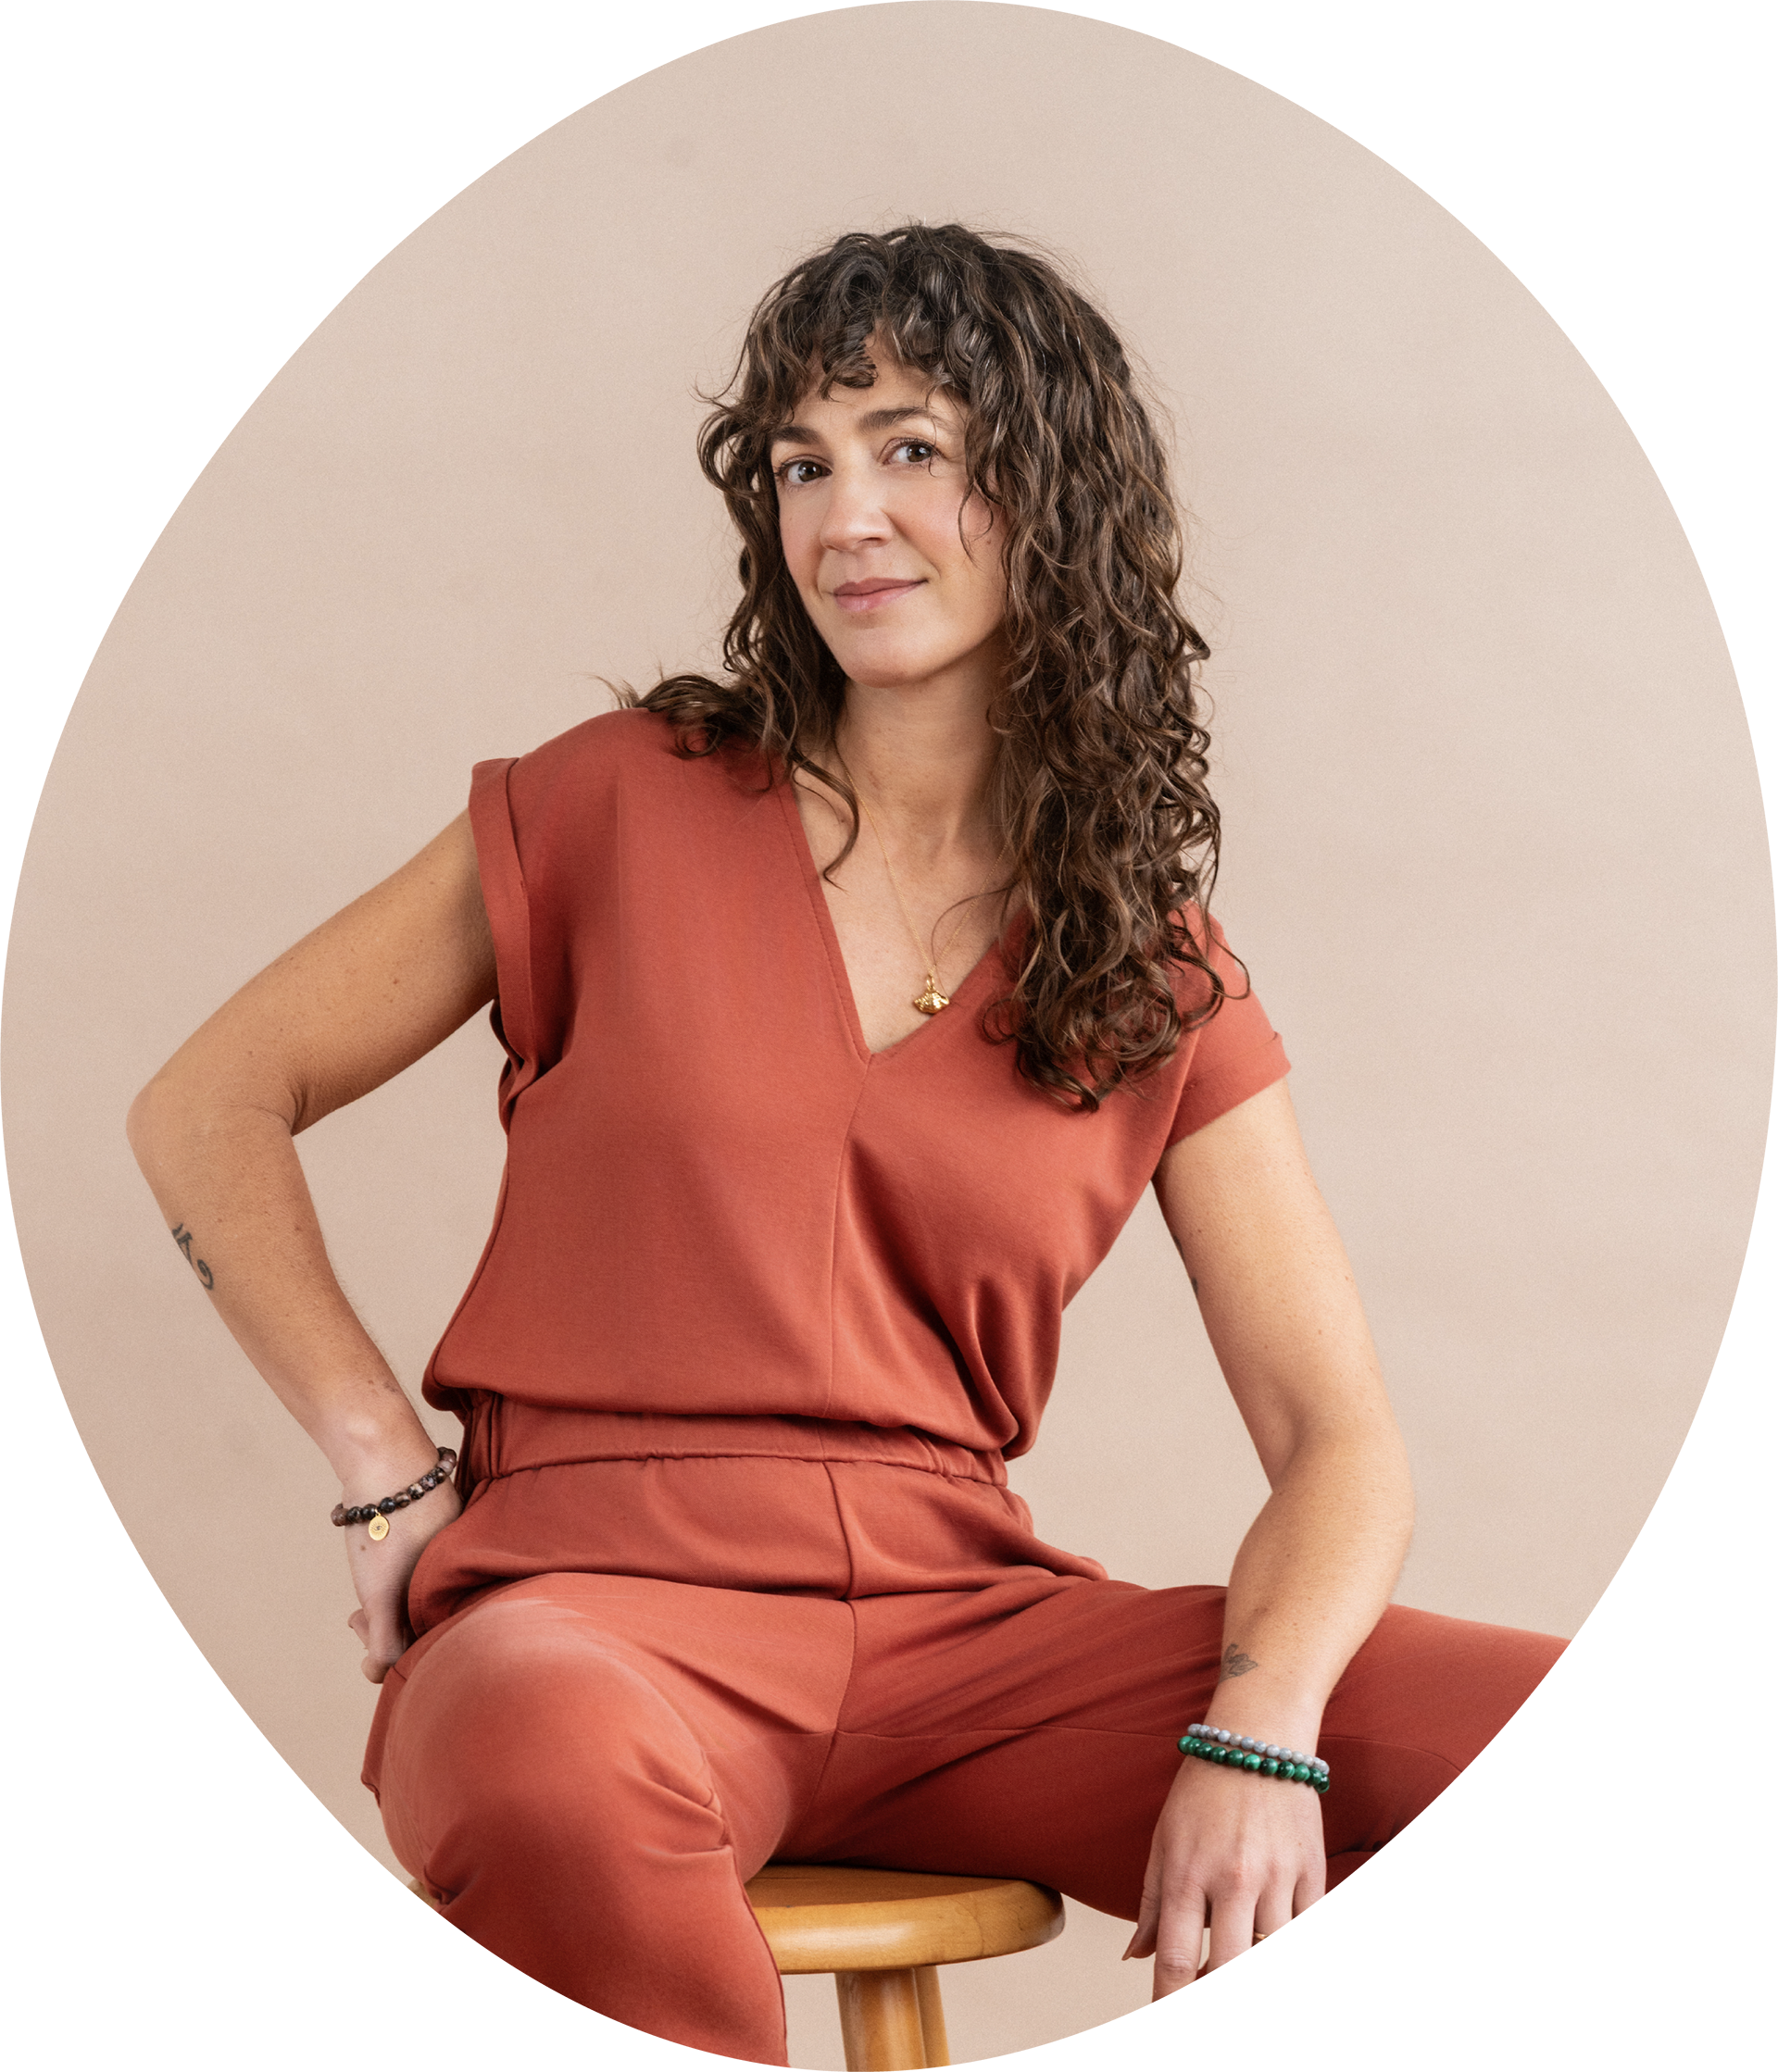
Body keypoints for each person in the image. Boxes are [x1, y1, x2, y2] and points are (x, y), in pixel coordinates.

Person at [127, 224, 1622, 2070]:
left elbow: (1339, 1439)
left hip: (962, 1643)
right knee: (538, 1757)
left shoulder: (1154, 965)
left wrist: (1260, 1729)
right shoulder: (618, 805)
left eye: (912, 447)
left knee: (1585, 1759)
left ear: (1047, 484)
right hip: (592, 1610)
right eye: (801, 464)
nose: (847, 517)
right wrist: (377, 1462)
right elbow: (209, 1099)